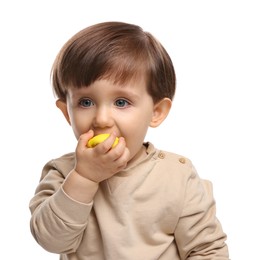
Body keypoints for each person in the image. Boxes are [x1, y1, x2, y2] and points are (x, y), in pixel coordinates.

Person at [29, 21, 229, 259]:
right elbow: (52, 240)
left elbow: (208, 250)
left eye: (121, 102)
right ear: (66, 113)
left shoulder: (178, 176)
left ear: (156, 112)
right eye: (85, 102)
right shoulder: (63, 173)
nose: (101, 119)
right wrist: (84, 177)